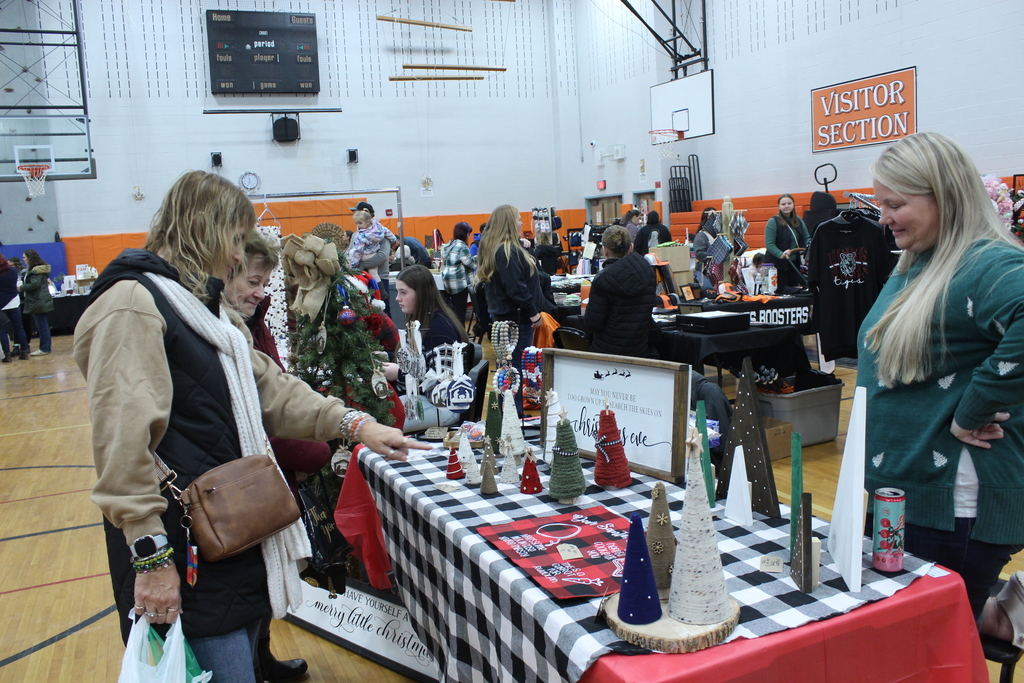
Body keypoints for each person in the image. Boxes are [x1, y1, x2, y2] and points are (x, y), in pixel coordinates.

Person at [74, 170, 426, 683]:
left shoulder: (198, 305)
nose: (239, 256)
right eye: (235, 239)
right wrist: (151, 561)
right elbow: (122, 445)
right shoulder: (133, 304)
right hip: (180, 544)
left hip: (228, 533)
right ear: (205, 228)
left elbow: (271, 387)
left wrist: (353, 423)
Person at [856, 132, 1024, 646]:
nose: (883, 217)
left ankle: (999, 618)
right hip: (906, 493)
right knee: (908, 639)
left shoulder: (982, 262)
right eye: (880, 203)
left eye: (896, 204)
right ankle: (1003, 617)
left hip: (952, 507)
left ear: (943, 196)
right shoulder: (921, 258)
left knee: (926, 648)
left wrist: (972, 409)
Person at [223, 232, 323, 683]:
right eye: (254, 281)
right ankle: (254, 664)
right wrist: (313, 448)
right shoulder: (224, 329)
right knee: (248, 585)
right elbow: (268, 406)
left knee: (261, 583)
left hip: (263, 474)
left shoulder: (252, 320)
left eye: (266, 283)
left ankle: (261, 659)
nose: (262, 292)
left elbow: (276, 384)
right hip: (242, 481)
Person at [383, 265, 469, 431]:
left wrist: (399, 373)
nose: (397, 298)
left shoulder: (440, 330)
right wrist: (386, 357)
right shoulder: (425, 322)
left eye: (403, 292)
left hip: (442, 407)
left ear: (421, 294)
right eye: (398, 292)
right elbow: (420, 362)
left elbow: (441, 383)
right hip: (423, 400)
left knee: (383, 424)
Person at [477, 205, 543, 413]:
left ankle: (508, 419)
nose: (521, 223)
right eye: (518, 219)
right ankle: (511, 421)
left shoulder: (498, 249)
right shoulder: (507, 251)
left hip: (505, 319)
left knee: (507, 374)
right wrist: (533, 314)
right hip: (516, 320)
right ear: (508, 223)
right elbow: (517, 288)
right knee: (512, 374)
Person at [584, 226, 657, 358]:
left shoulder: (603, 280)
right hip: (639, 349)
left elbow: (593, 323)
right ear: (631, 247)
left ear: (605, 250)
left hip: (607, 351)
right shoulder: (648, 272)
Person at [349, 202, 397, 318]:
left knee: (383, 311)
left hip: (380, 277)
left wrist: (357, 265)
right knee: (364, 312)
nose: (356, 215)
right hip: (361, 278)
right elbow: (351, 252)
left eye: (358, 212)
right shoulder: (357, 234)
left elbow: (381, 257)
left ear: (367, 218)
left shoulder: (380, 233)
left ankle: (387, 335)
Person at [764, 194, 810, 291]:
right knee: (781, 290)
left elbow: (806, 238)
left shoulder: (799, 221)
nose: (786, 206)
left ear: (793, 205)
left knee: (796, 289)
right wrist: (780, 254)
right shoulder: (773, 221)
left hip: (794, 264)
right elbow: (769, 244)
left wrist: (810, 247)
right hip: (777, 265)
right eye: (783, 204)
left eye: (789, 203)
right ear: (779, 206)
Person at [441, 221, 477, 325]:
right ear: (464, 233)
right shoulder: (462, 246)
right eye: (468, 233)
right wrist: (479, 257)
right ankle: (460, 335)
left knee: (453, 310)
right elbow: (469, 262)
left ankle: (454, 332)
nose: (469, 236)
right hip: (459, 282)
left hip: (448, 281)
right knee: (460, 310)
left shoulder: (449, 244)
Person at [20, 248, 53, 355]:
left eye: (24, 257)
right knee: (43, 324)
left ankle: (44, 348)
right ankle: (45, 347)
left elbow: (34, 284)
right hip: (39, 299)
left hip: (37, 300)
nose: (23, 259)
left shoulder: (35, 271)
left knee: (42, 325)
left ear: (30, 258)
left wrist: (21, 287)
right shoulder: (38, 269)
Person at [0, 253, 31, 361]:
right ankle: (24, 352)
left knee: (2, 330)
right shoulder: (13, 271)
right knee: (19, 327)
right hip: (14, 301)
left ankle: (7, 355)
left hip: (1, 304)